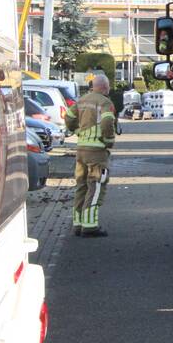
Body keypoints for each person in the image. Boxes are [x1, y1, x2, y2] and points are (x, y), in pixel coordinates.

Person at [65, 74, 116, 237]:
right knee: (95, 187)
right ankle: (90, 226)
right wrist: (109, 139)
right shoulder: (105, 102)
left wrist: (77, 131)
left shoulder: (82, 100)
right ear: (105, 87)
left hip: (81, 151)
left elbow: (68, 117)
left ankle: (78, 224)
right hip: (97, 152)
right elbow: (108, 122)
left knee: (81, 187)